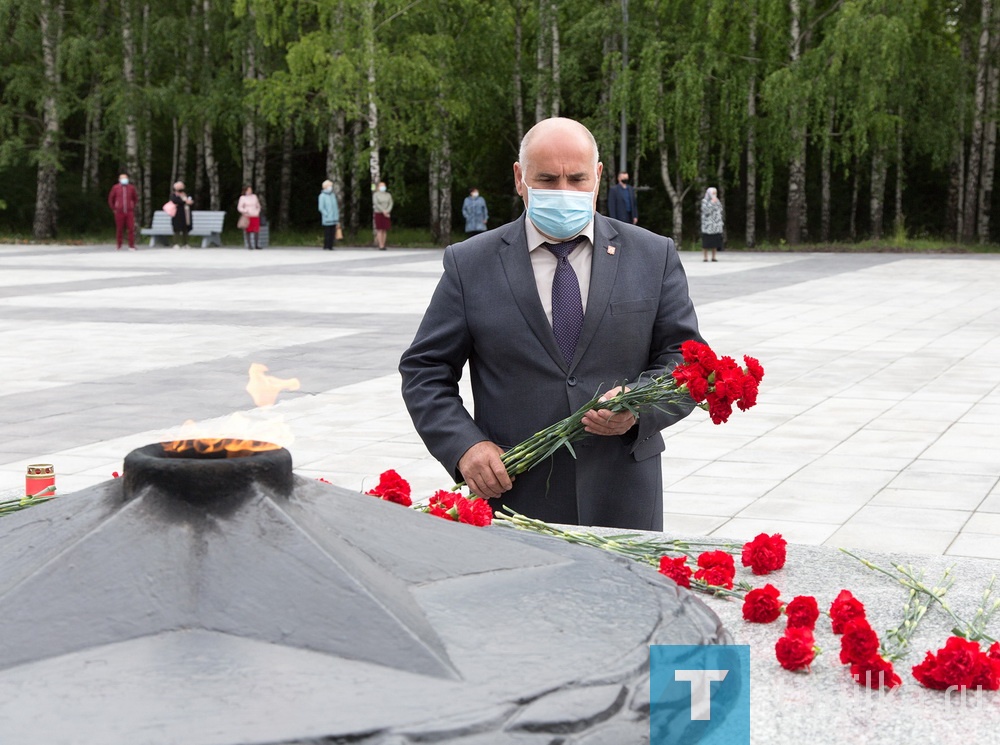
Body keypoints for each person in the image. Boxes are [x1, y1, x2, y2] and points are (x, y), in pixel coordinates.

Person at [399, 117, 703, 531]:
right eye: (547, 178)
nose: (564, 192)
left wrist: (640, 405)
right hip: (514, 496)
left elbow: (686, 361)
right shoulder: (470, 264)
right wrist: (464, 446)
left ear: (598, 176)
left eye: (577, 179)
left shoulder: (653, 255)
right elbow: (425, 370)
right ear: (519, 179)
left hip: (622, 496)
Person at [108, 172, 139, 250]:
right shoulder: (115, 188)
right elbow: (111, 198)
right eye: (122, 178)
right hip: (119, 211)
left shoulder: (131, 188)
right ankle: (119, 245)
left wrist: (132, 206)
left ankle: (131, 245)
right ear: (119, 179)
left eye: (125, 178)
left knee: (131, 228)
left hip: (129, 211)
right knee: (119, 228)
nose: (124, 179)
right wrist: (114, 208)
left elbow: (135, 198)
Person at [701, 187, 724, 262]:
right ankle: (705, 257)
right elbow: (706, 211)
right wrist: (712, 203)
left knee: (715, 242)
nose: (714, 194)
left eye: (715, 193)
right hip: (707, 226)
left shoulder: (717, 200)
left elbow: (720, 210)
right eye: (713, 193)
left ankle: (714, 257)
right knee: (706, 243)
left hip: (715, 226)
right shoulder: (705, 201)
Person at [170, 181, 194, 249]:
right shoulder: (174, 195)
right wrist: (184, 201)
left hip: (186, 213)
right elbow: (175, 201)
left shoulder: (186, 194)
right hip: (177, 214)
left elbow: (190, 200)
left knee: (185, 229)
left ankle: (185, 243)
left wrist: (189, 202)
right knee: (177, 229)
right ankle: (176, 243)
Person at [238, 185, 263, 250]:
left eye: (250, 190)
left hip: (255, 215)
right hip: (247, 216)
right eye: (248, 190)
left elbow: (258, 205)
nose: (250, 191)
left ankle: (256, 245)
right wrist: (245, 211)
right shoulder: (242, 198)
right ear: (245, 191)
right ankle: (249, 245)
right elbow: (239, 207)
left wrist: (258, 211)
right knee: (248, 230)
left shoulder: (254, 197)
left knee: (256, 230)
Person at [318, 180, 340, 250]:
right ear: (325, 187)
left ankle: (330, 246)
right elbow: (321, 207)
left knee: (332, 233)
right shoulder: (322, 196)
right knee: (327, 233)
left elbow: (335, 207)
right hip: (327, 218)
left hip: (334, 218)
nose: (331, 187)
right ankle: (326, 245)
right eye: (329, 186)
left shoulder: (332, 195)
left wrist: (337, 217)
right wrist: (326, 214)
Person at [372, 181, 393, 250]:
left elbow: (391, 203)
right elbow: (376, 203)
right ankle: (380, 245)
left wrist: (387, 210)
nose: (383, 187)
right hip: (379, 213)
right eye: (381, 186)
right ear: (378, 187)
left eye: (384, 186)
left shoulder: (388, 195)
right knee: (380, 229)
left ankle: (383, 244)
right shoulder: (376, 195)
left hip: (386, 213)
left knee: (384, 229)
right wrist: (383, 210)